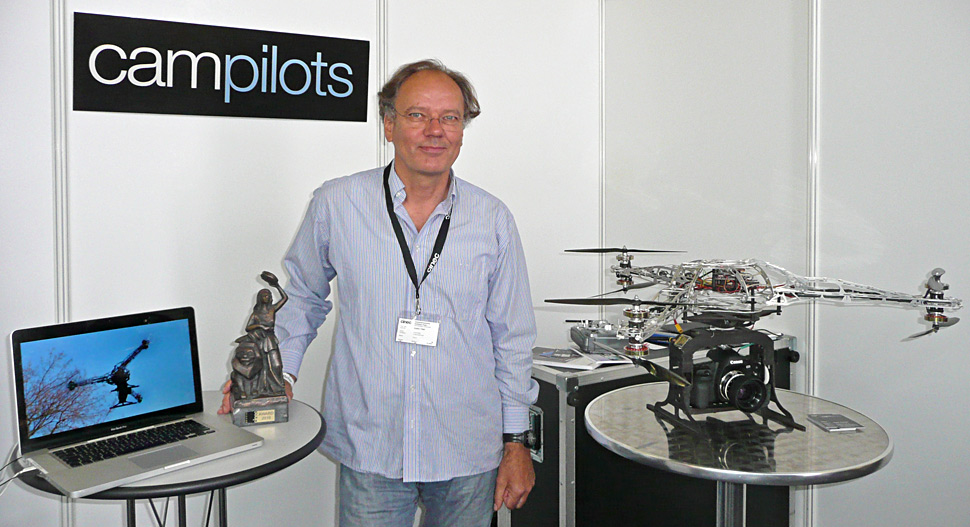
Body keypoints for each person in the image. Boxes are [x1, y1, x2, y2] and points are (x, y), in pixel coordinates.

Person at [220, 59, 539, 527]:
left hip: (467, 451)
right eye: (417, 115)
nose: (435, 130)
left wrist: (517, 441)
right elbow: (303, 296)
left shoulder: (493, 219)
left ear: (462, 131)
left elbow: (512, 338)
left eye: (450, 117)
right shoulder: (337, 204)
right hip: (372, 447)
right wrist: (275, 375)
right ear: (389, 125)